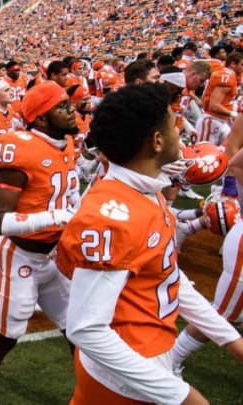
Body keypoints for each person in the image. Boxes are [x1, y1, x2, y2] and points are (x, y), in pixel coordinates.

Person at [56, 83, 243, 404]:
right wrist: (183, 395)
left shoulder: (146, 190)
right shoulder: (112, 215)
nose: (181, 135)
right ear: (157, 141)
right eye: (173, 126)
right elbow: (86, 329)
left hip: (149, 355)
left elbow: (167, 274)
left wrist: (232, 341)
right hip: (120, 375)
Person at [0, 82, 77, 404]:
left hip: (54, 256)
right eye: (62, 106)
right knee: (8, 334)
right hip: (19, 255)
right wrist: (57, 217)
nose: (71, 109)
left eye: (69, 103)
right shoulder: (21, 148)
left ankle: (95, 387)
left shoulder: (67, 142)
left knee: (78, 327)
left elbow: (67, 196)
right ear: (41, 119)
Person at [196, 52, 243, 146]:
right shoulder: (227, 76)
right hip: (212, 120)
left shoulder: (229, 75)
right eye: (242, 64)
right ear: (233, 64)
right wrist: (234, 114)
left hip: (221, 121)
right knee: (205, 156)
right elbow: (214, 106)